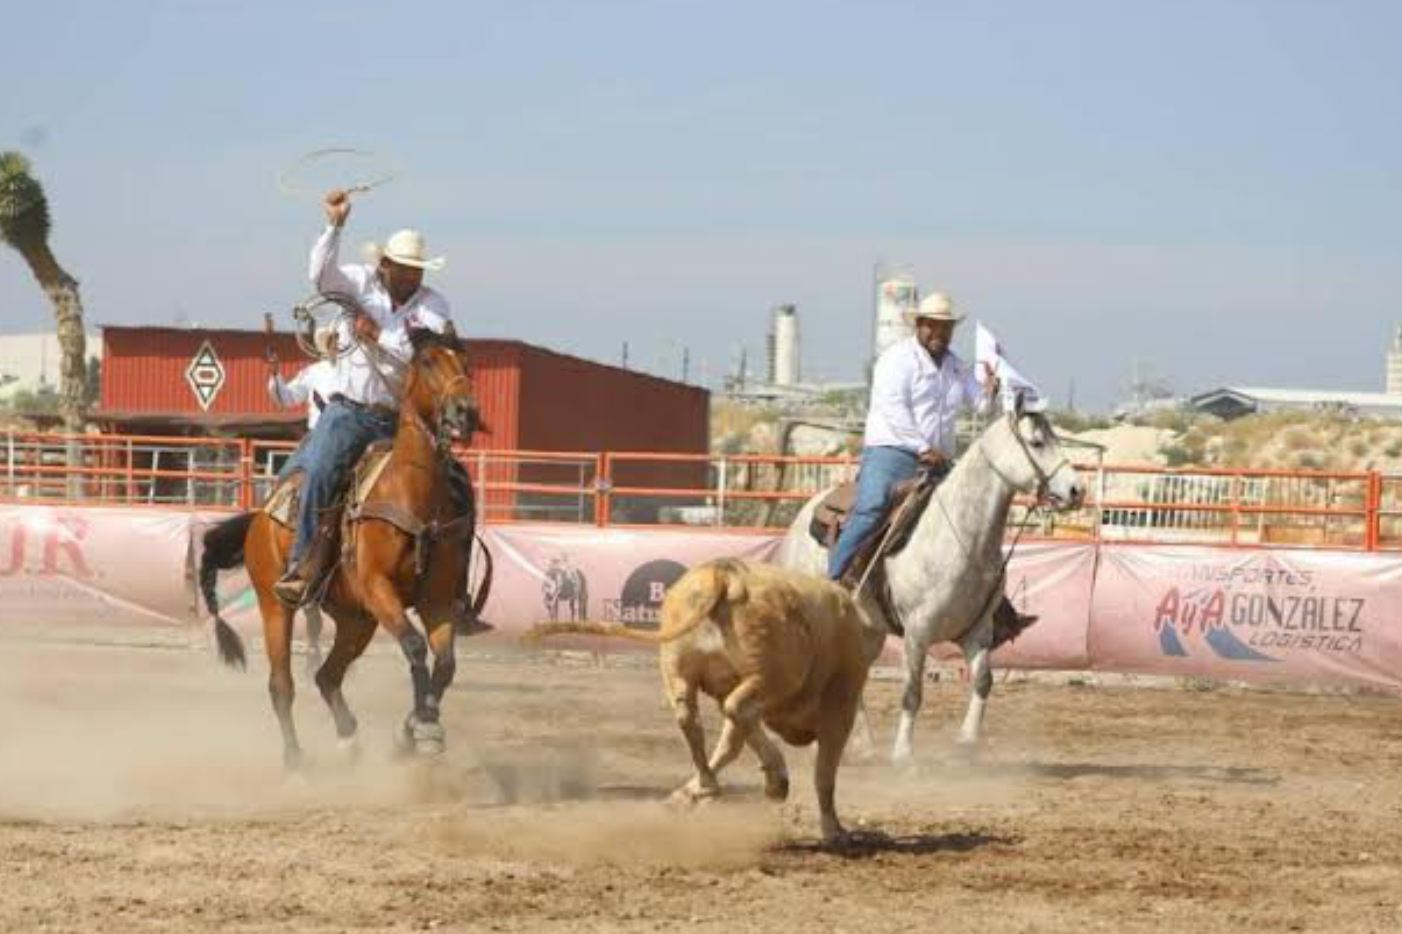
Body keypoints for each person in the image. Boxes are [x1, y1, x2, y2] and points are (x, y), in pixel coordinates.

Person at [273, 189, 455, 605]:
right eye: (405, 268)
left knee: (454, 483)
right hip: (348, 412)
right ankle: (303, 564)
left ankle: (453, 588)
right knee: (319, 470)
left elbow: (420, 352)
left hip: (402, 418)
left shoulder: (433, 305)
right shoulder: (358, 282)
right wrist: (334, 225)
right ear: (385, 265)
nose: (413, 277)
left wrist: (380, 336)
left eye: (418, 270)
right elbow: (320, 277)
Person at [828, 292, 994, 581]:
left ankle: (989, 603)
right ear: (918, 325)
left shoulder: (956, 366)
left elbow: (980, 405)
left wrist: (990, 389)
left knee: (969, 514)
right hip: (892, 451)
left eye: (945, 327)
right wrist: (922, 446)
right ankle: (832, 580)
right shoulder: (896, 359)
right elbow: (893, 409)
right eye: (932, 325)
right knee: (872, 507)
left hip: (937, 459)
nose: (938, 333)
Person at [266, 326, 339, 432]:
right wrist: (275, 374)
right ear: (326, 345)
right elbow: (288, 397)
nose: (336, 345)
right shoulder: (314, 371)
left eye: (338, 340)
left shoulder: (357, 371)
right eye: (332, 340)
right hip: (318, 433)